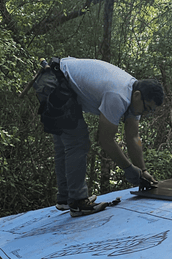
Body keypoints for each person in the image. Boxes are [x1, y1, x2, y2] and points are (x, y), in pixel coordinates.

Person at [48, 57, 163, 217]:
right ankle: (77, 202)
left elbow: (134, 137)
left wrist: (142, 171)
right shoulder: (118, 96)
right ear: (138, 96)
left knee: (65, 144)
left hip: (57, 77)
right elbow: (105, 140)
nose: (146, 114)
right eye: (147, 108)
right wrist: (128, 169)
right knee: (77, 141)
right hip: (55, 81)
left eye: (150, 111)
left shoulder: (135, 97)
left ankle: (66, 198)